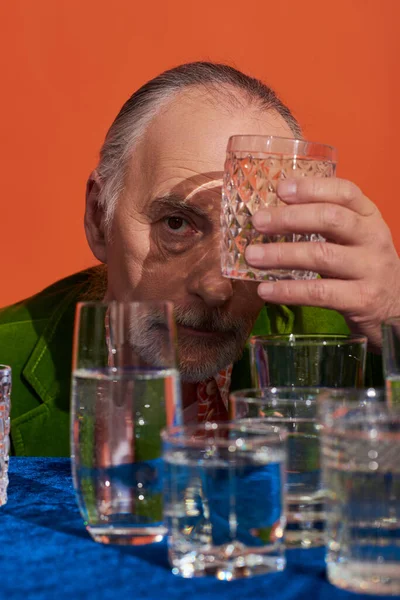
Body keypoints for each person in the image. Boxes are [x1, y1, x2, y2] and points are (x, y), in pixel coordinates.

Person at [1, 62, 397, 456]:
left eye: (250, 237)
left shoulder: (351, 348)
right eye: (176, 223)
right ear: (98, 217)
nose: (216, 287)